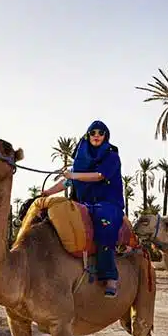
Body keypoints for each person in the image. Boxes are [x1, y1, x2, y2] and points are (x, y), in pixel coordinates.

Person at [41, 120, 125, 297]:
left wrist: (74, 174)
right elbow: (68, 181)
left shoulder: (111, 157)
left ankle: (110, 276)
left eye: (100, 133)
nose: (96, 135)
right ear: (88, 136)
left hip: (107, 203)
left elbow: (98, 176)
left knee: (104, 223)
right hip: (84, 202)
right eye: (93, 132)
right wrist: (47, 192)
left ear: (105, 137)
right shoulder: (81, 162)